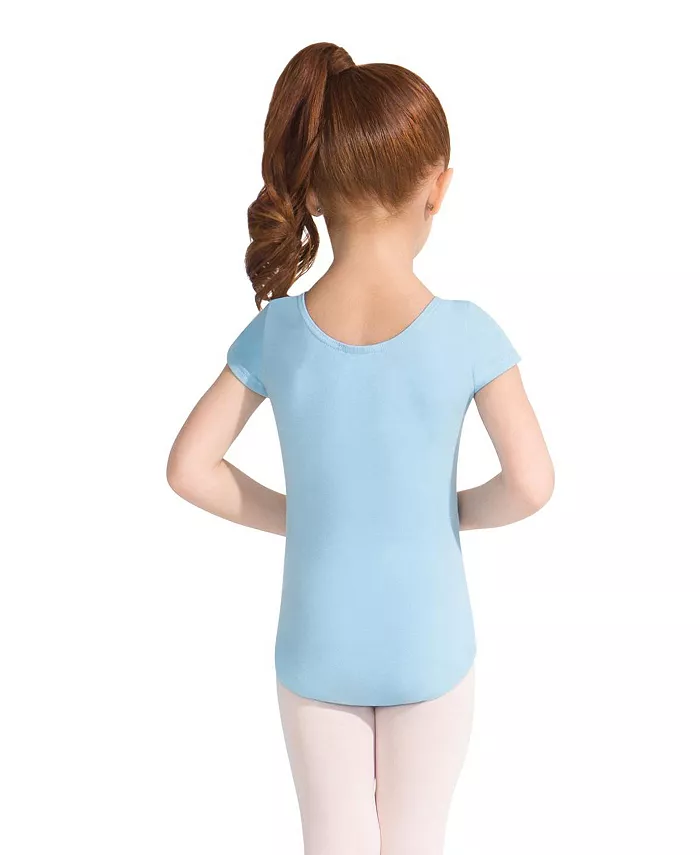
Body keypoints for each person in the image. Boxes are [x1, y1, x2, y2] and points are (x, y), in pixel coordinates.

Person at [166, 41, 554, 855]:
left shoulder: (276, 333)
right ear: (438, 187)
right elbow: (531, 483)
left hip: (317, 645)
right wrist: (448, 512)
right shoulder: (469, 333)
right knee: (417, 840)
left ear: (312, 187)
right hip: (429, 644)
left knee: (331, 841)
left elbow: (189, 468)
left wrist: (301, 517)